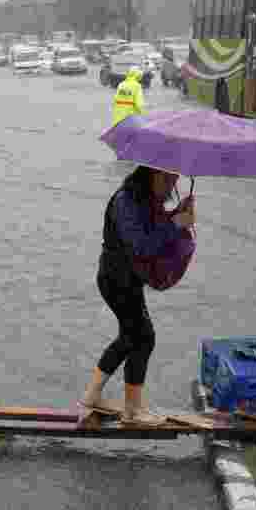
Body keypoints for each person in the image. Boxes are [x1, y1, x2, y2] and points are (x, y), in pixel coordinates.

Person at [78, 165, 196, 427]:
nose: (170, 187)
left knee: (132, 337)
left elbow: (154, 229)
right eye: (167, 179)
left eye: (174, 181)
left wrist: (179, 213)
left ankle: (93, 397)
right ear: (151, 175)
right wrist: (176, 223)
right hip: (115, 280)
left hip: (126, 280)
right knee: (142, 337)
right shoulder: (126, 201)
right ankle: (132, 411)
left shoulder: (143, 199)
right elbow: (143, 245)